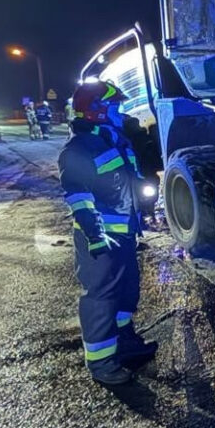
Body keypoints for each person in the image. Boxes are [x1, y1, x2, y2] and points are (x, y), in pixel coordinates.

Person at [58, 81, 157, 387]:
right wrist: (95, 235)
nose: (119, 112)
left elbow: (126, 181)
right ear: (97, 111)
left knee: (127, 292)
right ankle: (101, 363)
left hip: (124, 234)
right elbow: (78, 196)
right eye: (113, 107)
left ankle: (124, 343)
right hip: (99, 240)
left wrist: (144, 207)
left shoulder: (113, 139)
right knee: (101, 298)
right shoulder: (78, 148)